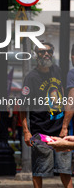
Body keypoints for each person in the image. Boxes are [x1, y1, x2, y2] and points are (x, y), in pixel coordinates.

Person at [20, 42, 73, 188]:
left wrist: (65, 126)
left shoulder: (57, 70)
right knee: (39, 171)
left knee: (65, 170)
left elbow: (65, 95)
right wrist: (26, 131)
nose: (46, 54)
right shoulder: (31, 77)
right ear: (36, 55)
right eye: (42, 52)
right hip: (40, 132)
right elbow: (22, 106)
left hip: (60, 130)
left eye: (49, 51)